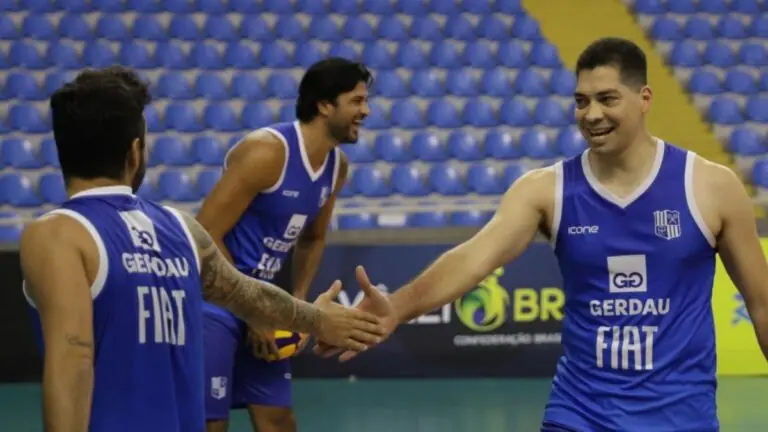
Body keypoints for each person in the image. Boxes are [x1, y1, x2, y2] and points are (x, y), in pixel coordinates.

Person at [320, 38, 768, 431]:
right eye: (581, 101)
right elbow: (475, 258)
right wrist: (396, 307)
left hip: (681, 418)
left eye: (607, 99)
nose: (592, 114)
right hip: (580, 414)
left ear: (644, 98)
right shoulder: (545, 190)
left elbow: (762, 304)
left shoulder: (710, 186)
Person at [19, 66, 386, 432]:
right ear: (135, 153)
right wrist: (317, 318)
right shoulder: (183, 229)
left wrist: (312, 315)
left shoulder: (56, 235)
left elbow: (74, 359)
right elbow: (246, 295)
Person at [195, 57, 370, 432]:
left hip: (262, 303)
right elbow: (205, 233)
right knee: (210, 424)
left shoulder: (336, 167)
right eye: (356, 101)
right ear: (325, 105)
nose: (365, 111)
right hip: (213, 302)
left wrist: (296, 306)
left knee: (277, 420)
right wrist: (251, 308)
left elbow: (313, 237)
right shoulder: (267, 152)